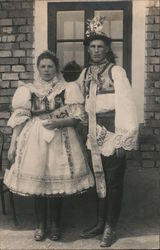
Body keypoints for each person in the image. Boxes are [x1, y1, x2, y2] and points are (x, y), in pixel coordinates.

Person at [4, 50, 94, 241]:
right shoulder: (27, 90)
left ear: (56, 68)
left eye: (50, 66)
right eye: (43, 66)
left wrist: (58, 123)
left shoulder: (68, 88)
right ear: (37, 68)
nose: (46, 70)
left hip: (60, 138)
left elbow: (77, 119)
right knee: (39, 181)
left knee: (57, 183)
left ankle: (55, 225)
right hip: (34, 140)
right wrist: (13, 146)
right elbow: (19, 121)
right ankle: (40, 225)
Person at [77, 16, 138, 247]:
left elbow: (127, 105)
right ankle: (100, 223)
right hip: (93, 132)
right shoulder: (84, 74)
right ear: (88, 49)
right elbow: (80, 103)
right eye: (92, 47)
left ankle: (111, 227)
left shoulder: (116, 72)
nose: (95, 51)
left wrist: (123, 139)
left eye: (100, 47)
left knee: (113, 181)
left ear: (107, 49)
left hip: (113, 131)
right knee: (99, 179)